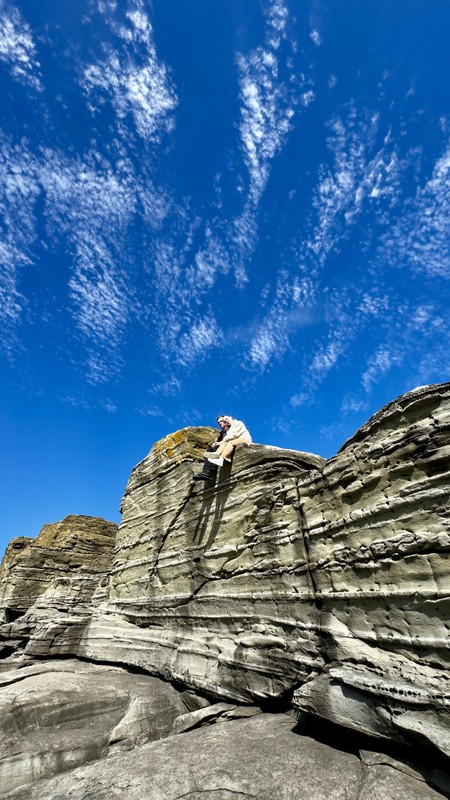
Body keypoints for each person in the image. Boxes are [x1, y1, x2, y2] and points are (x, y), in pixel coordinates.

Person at [192, 416, 228, 481]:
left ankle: (209, 471)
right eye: (218, 422)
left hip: (228, 446)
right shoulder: (221, 433)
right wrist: (215, 442)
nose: (220, 423)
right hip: (223, 446)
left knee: (216, 447)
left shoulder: (230, 428)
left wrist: (219, 443)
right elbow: (218, 441)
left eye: (221, 421)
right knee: (209, 450)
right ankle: (205, 470)